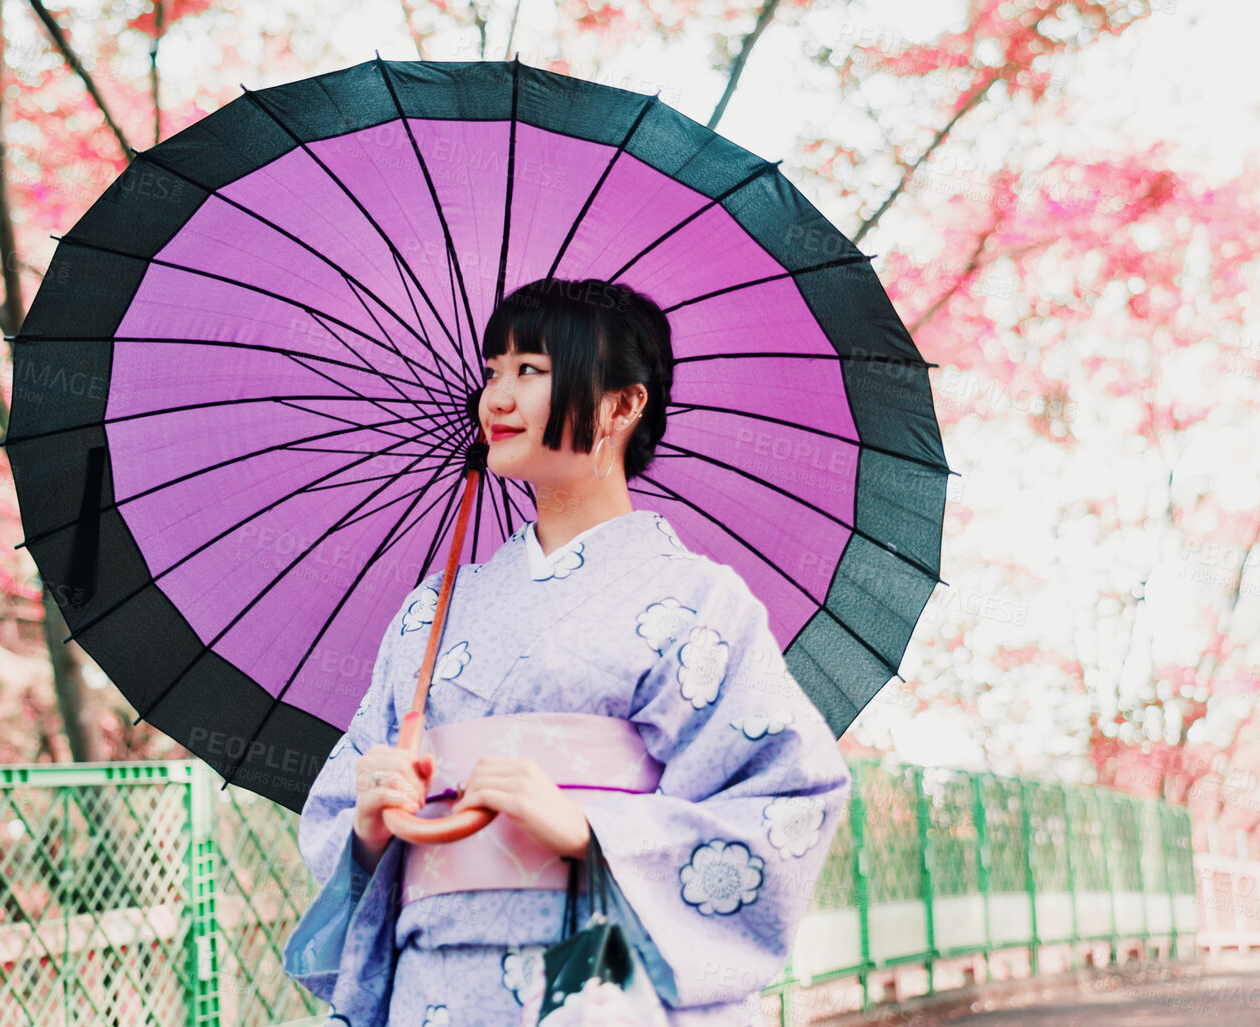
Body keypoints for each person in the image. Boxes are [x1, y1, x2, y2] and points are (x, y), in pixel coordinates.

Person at [282, 277, 853, 1025]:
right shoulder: (432, 611)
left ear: (622, 404)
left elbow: (785, 798)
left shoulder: (695, 601)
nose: (495, 398)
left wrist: (590, 830)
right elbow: (341, 811)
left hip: (594, 976)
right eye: (492, 370)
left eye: (530, 370)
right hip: (431, 988)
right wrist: (371, 826)